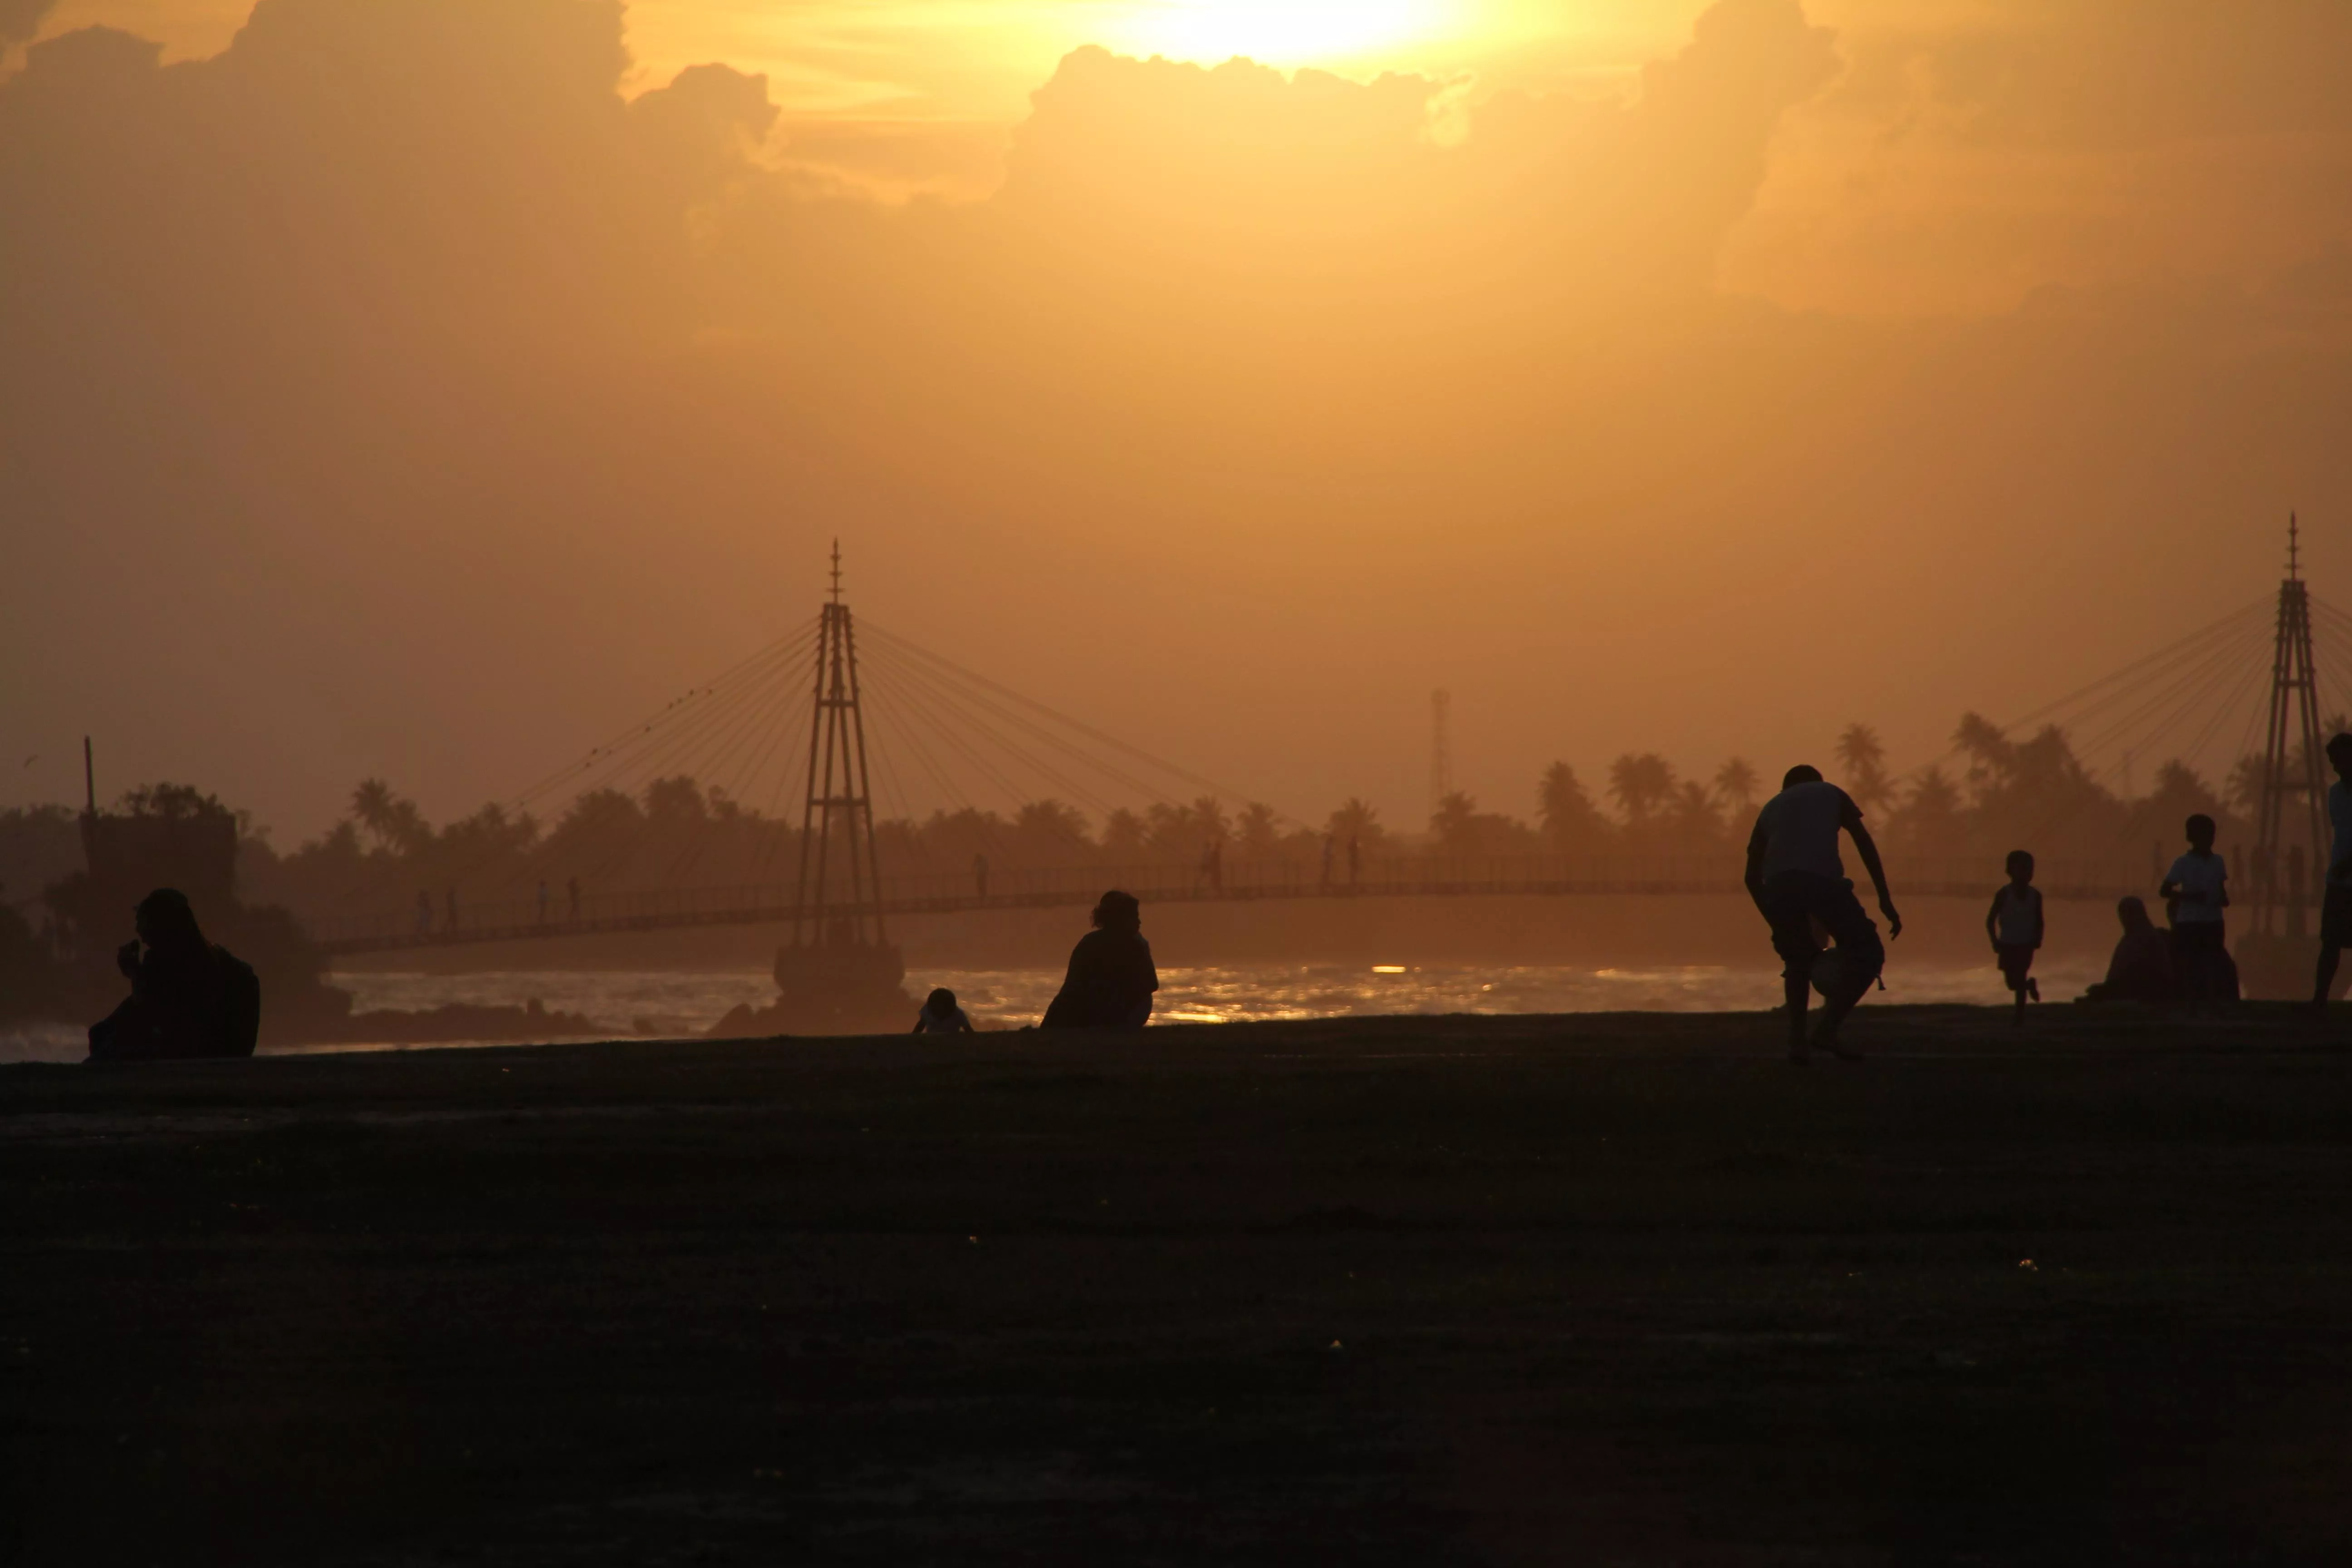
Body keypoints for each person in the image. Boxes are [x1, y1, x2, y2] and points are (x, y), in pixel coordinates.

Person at [1744, 764, 1903, 1063]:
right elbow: (1863, 841)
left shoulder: (1770, 808)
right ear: (1816, 782)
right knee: (1868, 953)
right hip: (1822, 882)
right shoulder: (1831, 793)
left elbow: (1751, 878)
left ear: (1785, 788)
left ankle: (1796, 1045)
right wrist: (1884, 898)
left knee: (1797, 961)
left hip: (1779, 887)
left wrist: (1775, 922)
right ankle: (1827, 1030)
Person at [87, 888, 260, 1062]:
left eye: (144, 926)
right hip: (220, 1062)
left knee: (106, 1036)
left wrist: (136, 974)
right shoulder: (225, 965)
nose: (140, 934)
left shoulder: (173, 967)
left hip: (194, 1063)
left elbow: (164, 1019)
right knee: (103, 1033)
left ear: (163, 927)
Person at [1041, 890, 1159, 1029]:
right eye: (1134, 917)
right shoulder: (1135, 945)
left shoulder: (1089, 943)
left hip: (1106, 1010)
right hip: (1117, 1012)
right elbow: (1153, 984)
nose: (1139, 922)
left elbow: (1071, 986)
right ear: (1120, 918)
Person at [2159, 813, 2231, 1001]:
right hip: (2189, 921)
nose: (2208, 840)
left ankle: (2211, 1000)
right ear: (2191, 837)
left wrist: (2223, 899)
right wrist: (2190, 897)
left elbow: (2221, 888)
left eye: (2210, 835)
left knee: (2213, 961)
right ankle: (2189, 1000)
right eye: (2203, 835)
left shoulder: (2218, 862)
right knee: (2190, 964)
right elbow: (2165, 891)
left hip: (2214, 920)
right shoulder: (2183, 863)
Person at [2312, 732, 2352, 1013]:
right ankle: (2320, 1001)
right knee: (2330, 941)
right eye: (2332, 761)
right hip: (2338, 879)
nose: (2336, 767)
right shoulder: (2335, 793)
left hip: (2345, 872)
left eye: (2339, 760)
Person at [1985, 849, 2044, 1027]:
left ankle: (2019, 1017)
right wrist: (1994, 941)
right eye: (2021, 869)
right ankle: (2029, 985)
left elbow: (2039, 920)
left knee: (2019, 976)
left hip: (2026, 944)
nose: (2026, 874)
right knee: (2012, 983)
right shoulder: (2004, 894)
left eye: (2029, 870)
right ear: (2010, 871)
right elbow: (1990, 920)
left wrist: (2038, 938)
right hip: (2007, 943)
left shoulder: (2036, 895)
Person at [2081, 896, 2176, 1002]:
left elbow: (2145, 974)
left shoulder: (2149, 938)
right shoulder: (2128, 940)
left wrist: (2111, 988)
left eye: (2129, 913)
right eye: (2123, 914)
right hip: (2130, 987)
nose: (2125, 918)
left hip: (2149, 990)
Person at [911, 986, 976, 1034]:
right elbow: (920, 1027)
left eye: (943, 1005)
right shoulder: (927, 1011)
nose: (941, 1008)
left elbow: (969, 1031)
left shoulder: (958, 1014)